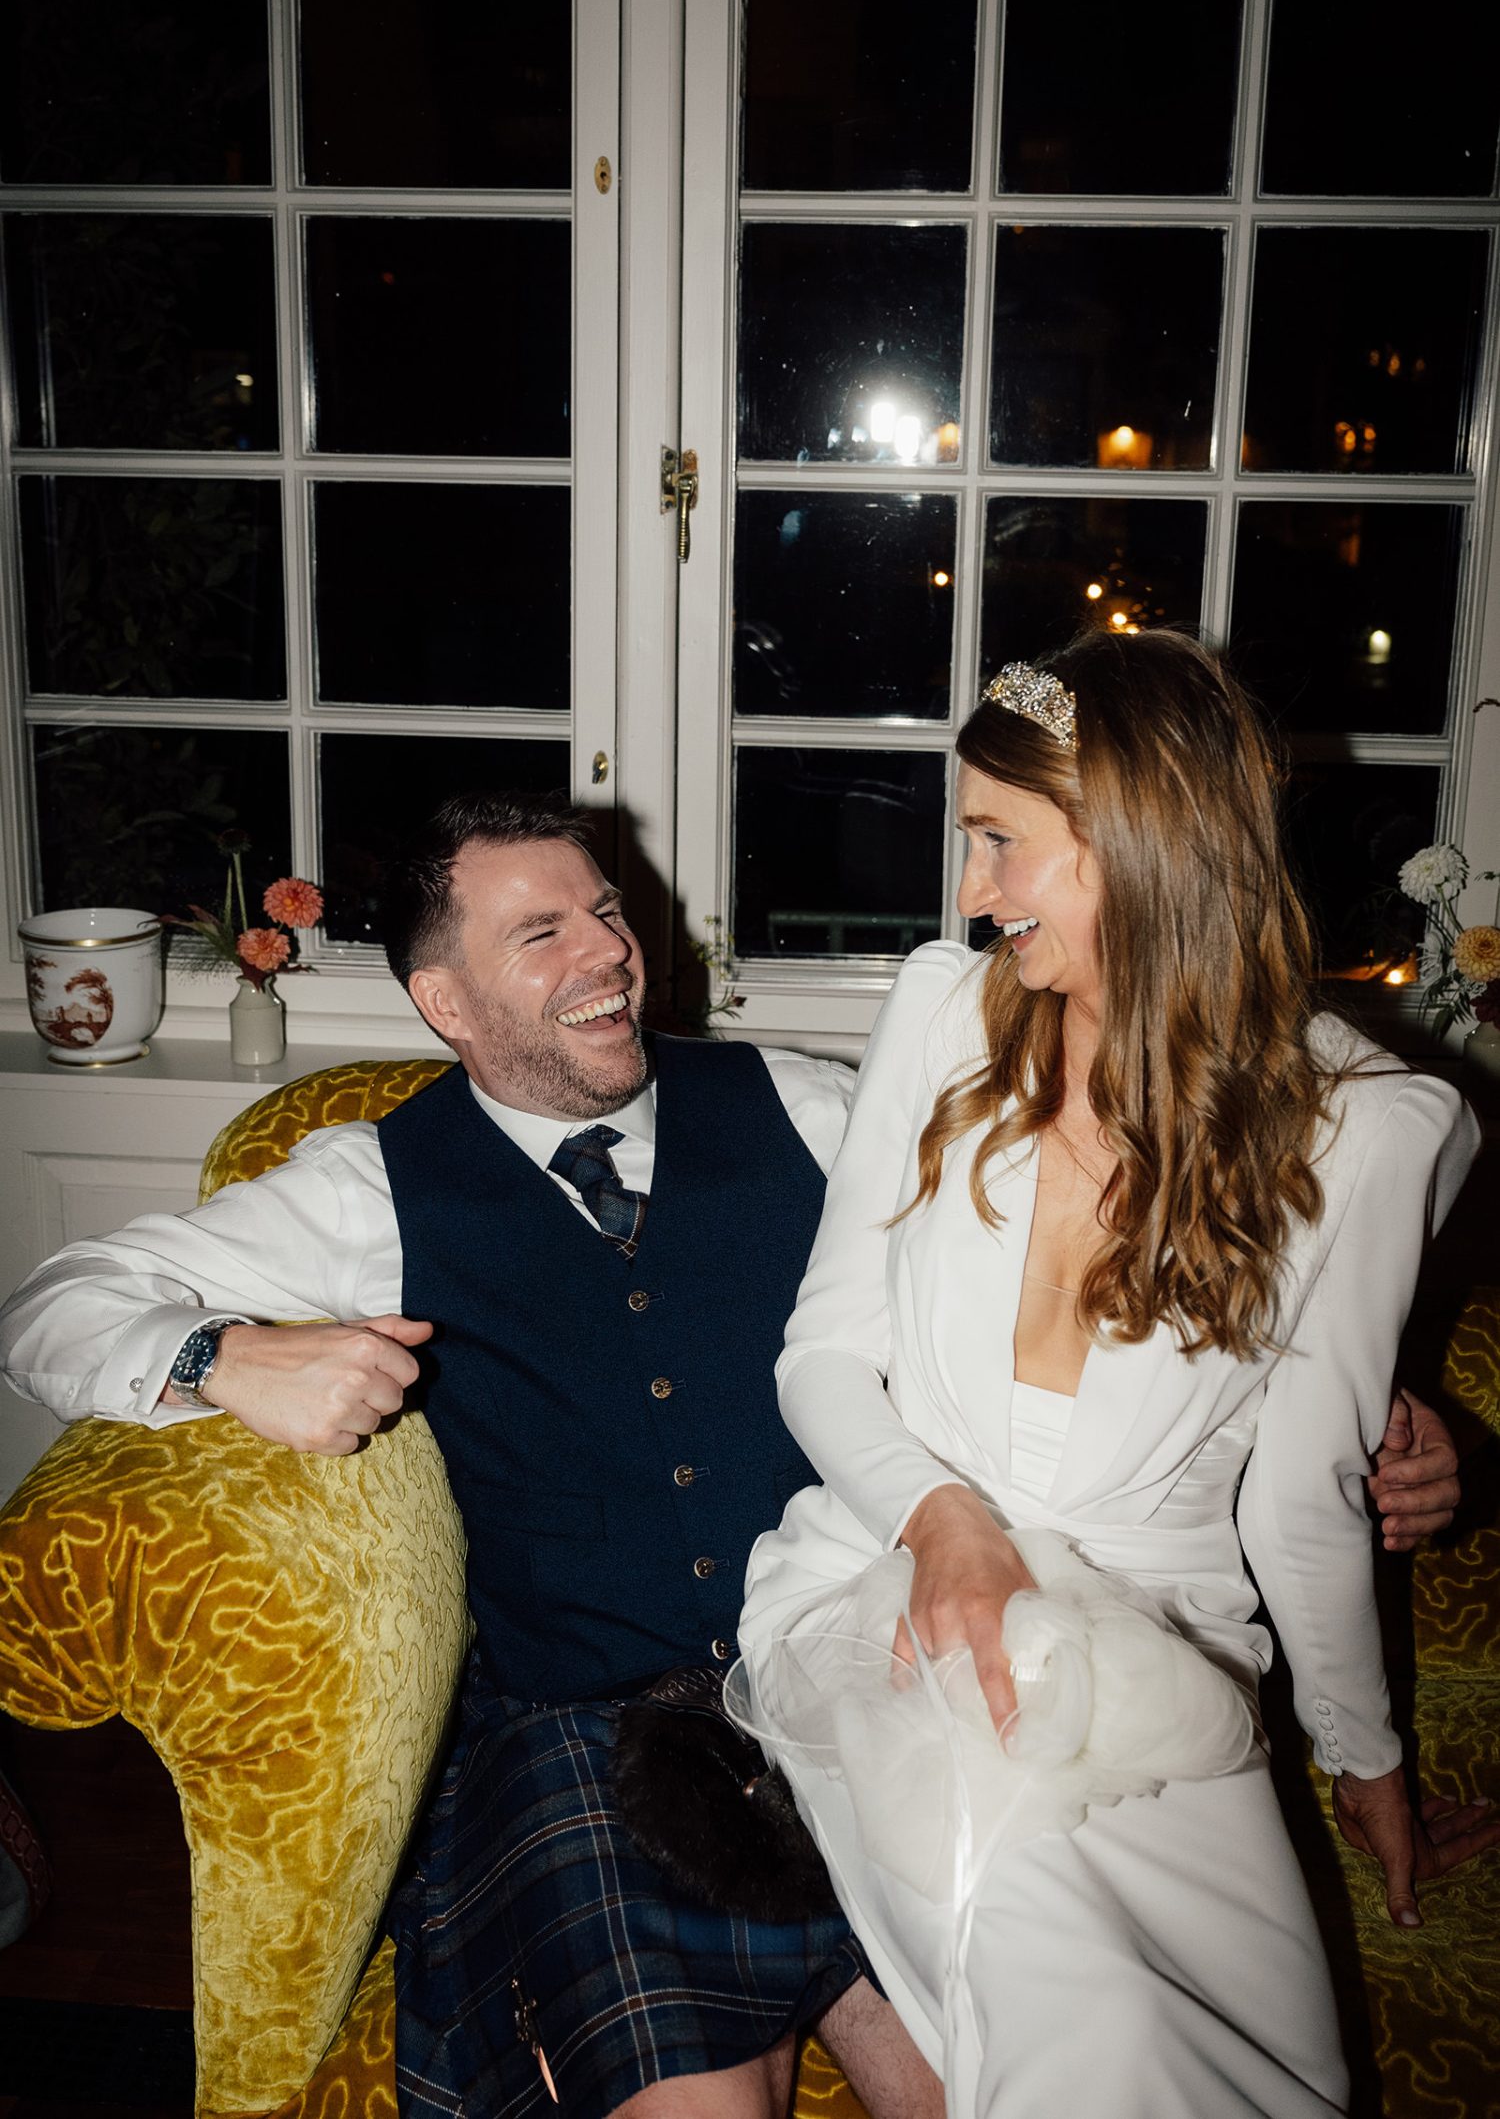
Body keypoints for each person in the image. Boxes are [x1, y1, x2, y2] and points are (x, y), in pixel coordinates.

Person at [0, 790, 1462, 2119]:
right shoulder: (367, 1183)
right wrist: (223, 1357)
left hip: (858, 1682)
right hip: (585, 1728)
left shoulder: (814, 1107)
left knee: (1015, 2081)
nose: (610, 955)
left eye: (611, 912)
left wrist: (1358, 1418)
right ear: (443, 998)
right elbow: (50, 1308)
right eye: (544, 932)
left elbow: (1100, 1279)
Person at [734, 635, 1499, 2119]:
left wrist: (1366, 1759)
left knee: (1259, 2069)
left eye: (1001, 844)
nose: (968, 894)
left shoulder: (1371, 1128)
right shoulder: (943, 1017)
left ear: (1141, 845)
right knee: (1088, 2016)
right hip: (896, 1596)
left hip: (1165, 1652)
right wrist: (941, 1515)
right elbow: (821, 1355)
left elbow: (1302, 1505)